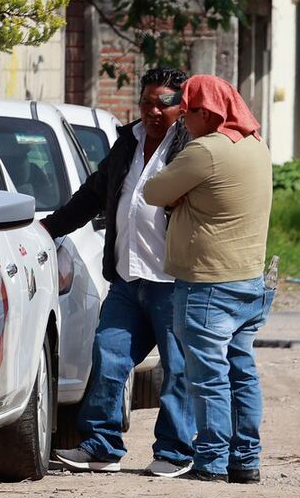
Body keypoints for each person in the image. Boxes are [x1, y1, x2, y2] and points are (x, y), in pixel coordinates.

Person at [45, 68, 197, 477]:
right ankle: (101, 446)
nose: (152, 111)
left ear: (181, 107)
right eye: (146, 102)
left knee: (177, 368)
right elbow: (94, 194)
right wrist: (49, 229)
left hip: (172, 280)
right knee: (109, 357)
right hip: (128, 278)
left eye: (162, 103)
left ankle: (175, 451)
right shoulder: (127, 142)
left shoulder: (191, 146)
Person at [143, 74, 274, 484]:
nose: (181, 120)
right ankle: (245, 460)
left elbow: (152, 191)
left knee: (208, 377)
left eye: (188, 111)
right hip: (249, 281)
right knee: (241, 371)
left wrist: (181, 194)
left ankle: (212, 461)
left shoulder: (207, 151)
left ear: (207, 112)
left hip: (208, 284)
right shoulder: (256, 146)